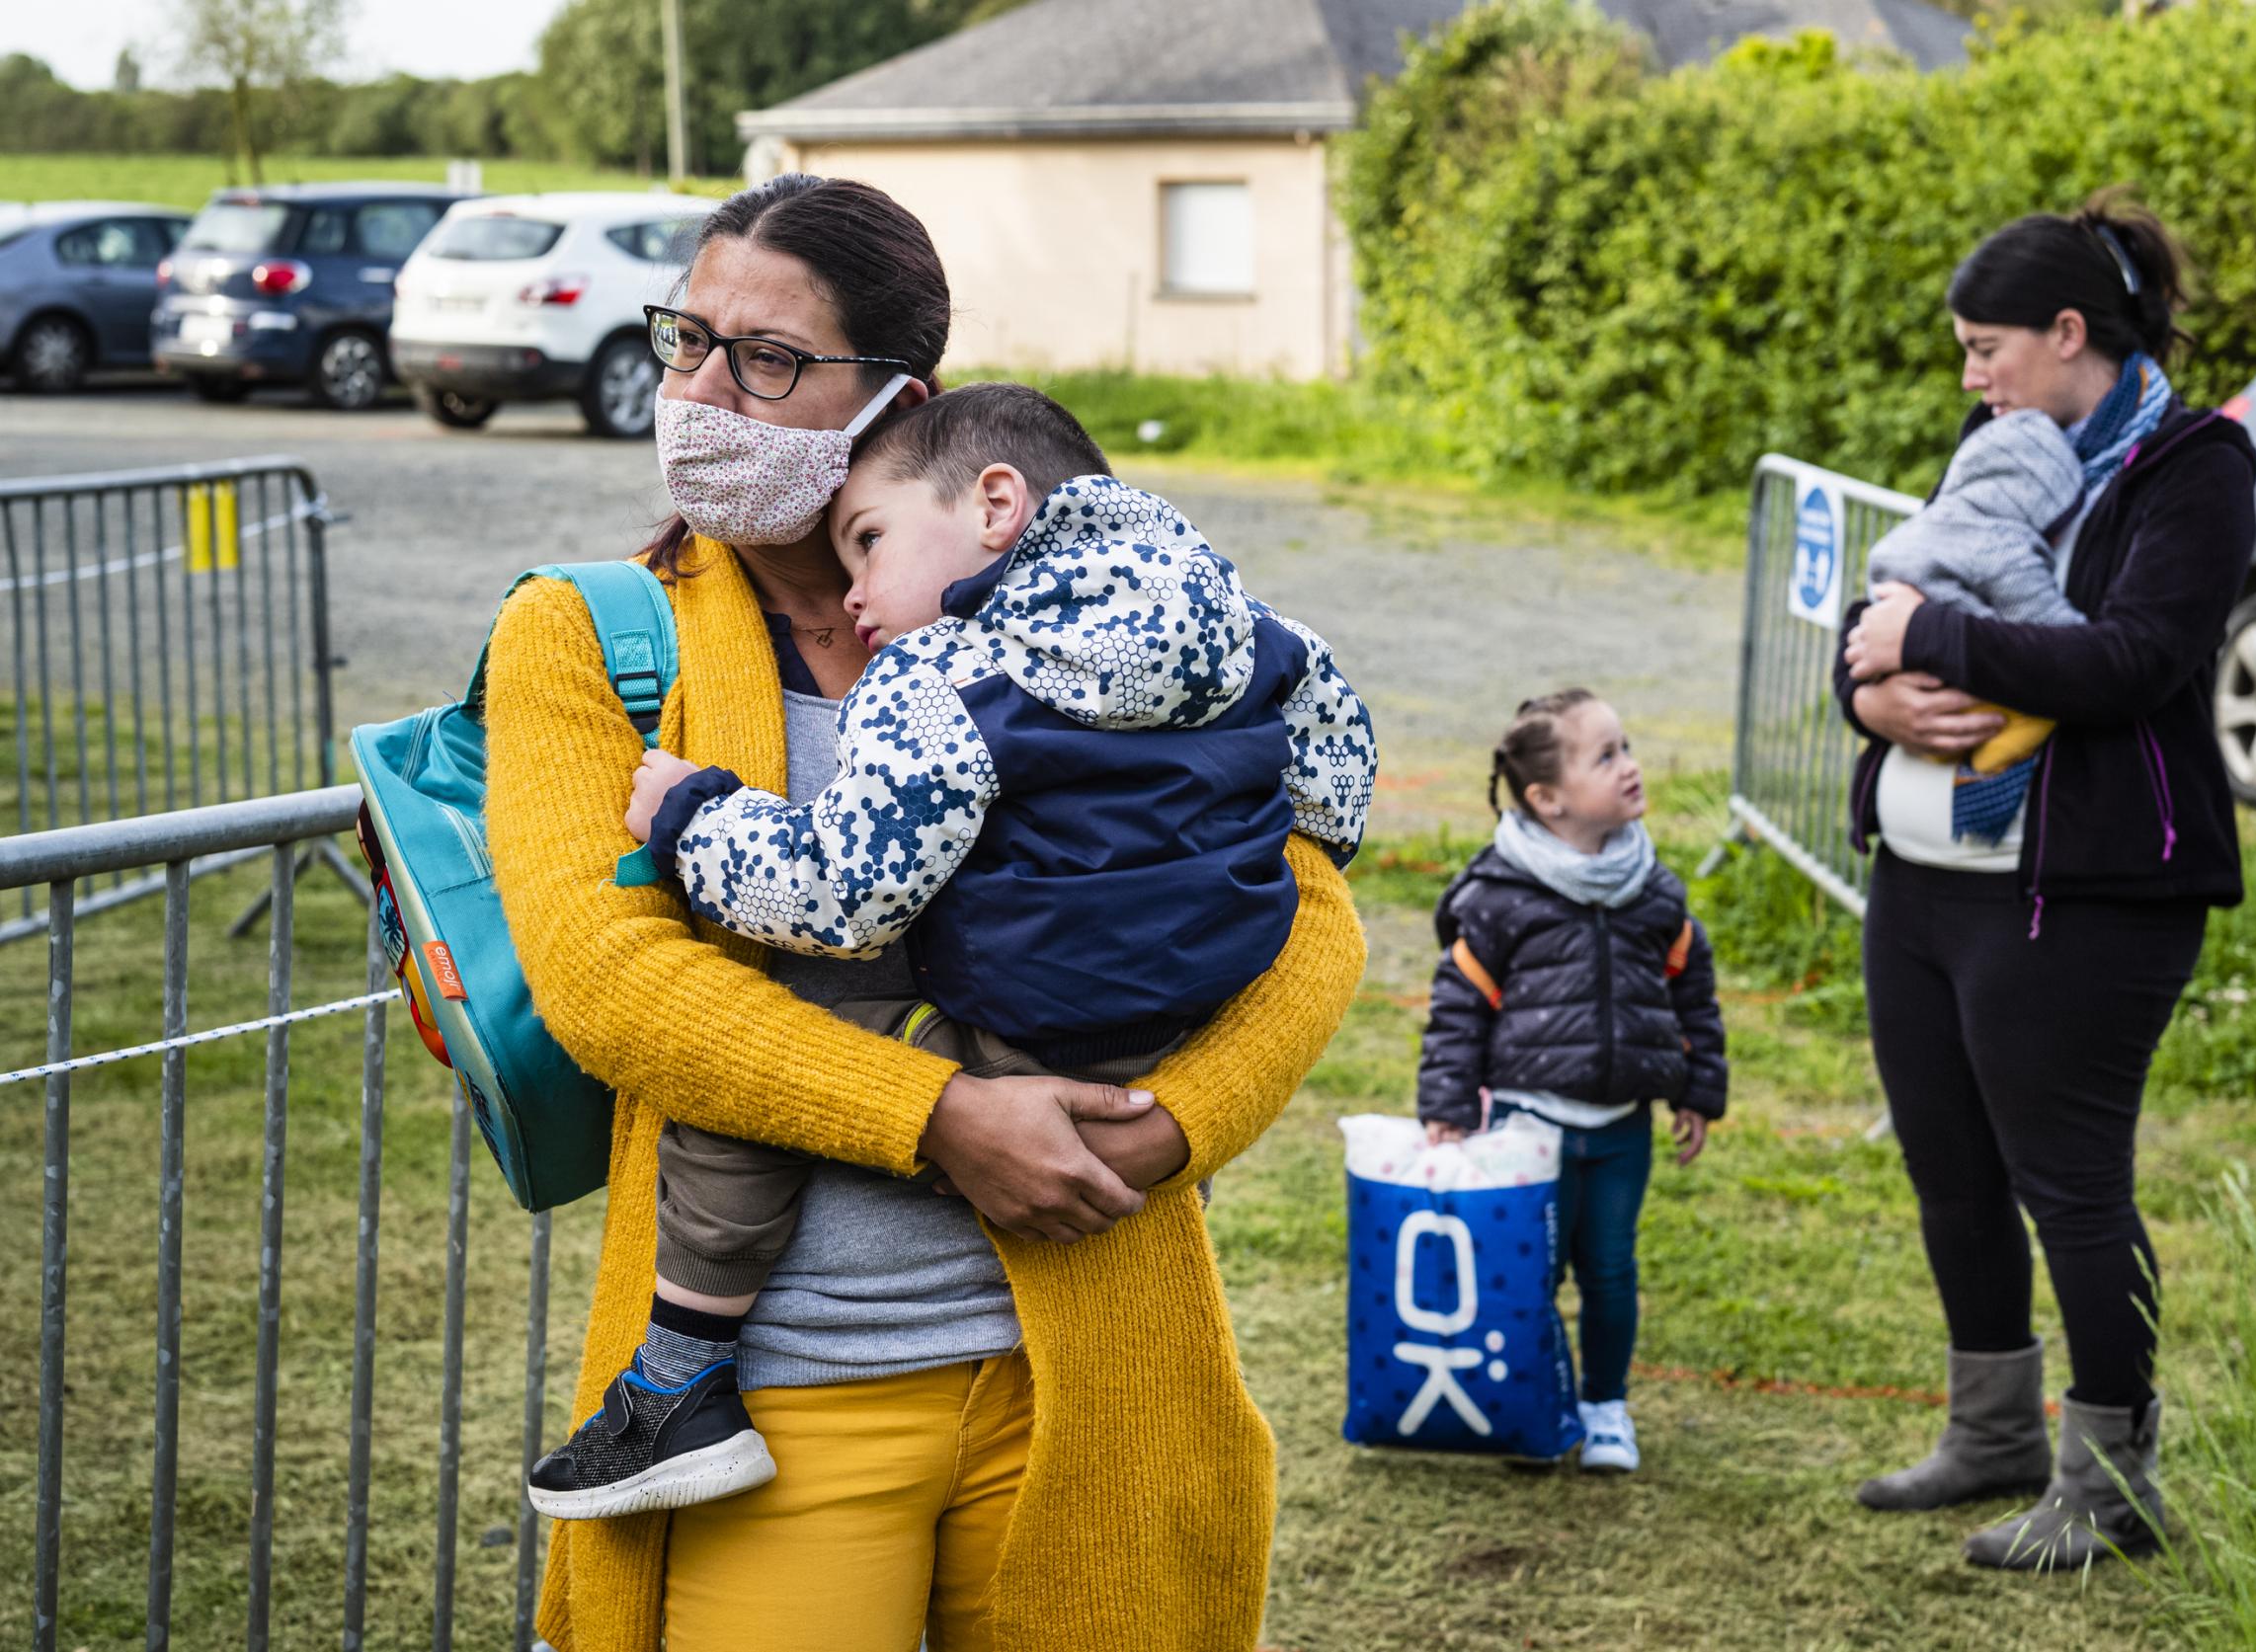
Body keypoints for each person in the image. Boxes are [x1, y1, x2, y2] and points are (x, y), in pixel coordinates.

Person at [482, 174, 1368, 1652]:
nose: (705, 390)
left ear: (901, 397)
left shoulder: (1082, 607)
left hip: (1091, 1362)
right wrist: (942, 1115)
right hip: (775, 1396)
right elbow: (610, 981)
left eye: (766, 357)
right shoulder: (587, 636)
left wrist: (1178, 1122)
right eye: (686, 338)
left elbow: (1315, 903)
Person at [1832, 191, 2256, 1572]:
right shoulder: (2001, 445)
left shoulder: (2195, 466)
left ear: (2068, 332)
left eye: (1984, 348)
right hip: (1926, 873)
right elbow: (1888, 613)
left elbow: (2133, 660)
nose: (1970, 379)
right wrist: (1877, 694)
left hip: (2086, 888)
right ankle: (1995, 1431)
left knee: (2067, 1181)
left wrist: (1925, 633)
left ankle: (2113, 1483)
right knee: (1950, 1168)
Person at [1413, 688, 1728, 1473]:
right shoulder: (1499, 895)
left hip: (1622, 1128)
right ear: (1546, 798)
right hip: (1528, 1127)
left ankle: (1606, 1404)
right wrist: (1448, 1106)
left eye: (1627, 746)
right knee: (1531, 1273)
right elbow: (1459, 1007)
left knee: (1611, 1269)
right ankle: (1537, 1401)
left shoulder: (1653, 887)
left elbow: (1692, 986)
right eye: (1607, 755)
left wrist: (1697, 1087)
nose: (1631, 766)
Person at [1855, 405, 2099, 831]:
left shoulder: (1935, 520)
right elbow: (2054, 629)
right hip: (1953, 696)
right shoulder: (2002, 545)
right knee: (2033, 717)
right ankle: (1988, 775)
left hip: (1900, 675)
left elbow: (1867, 616)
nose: (1972, 378)